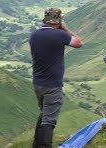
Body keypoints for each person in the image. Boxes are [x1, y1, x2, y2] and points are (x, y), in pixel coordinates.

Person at [29, 8, 83, 148]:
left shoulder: (34, 35)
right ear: (58, 21)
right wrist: (65, 28)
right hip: (52, 85)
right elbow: (78, 43)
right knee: (49, 120)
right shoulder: (59, 35)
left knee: (44, 114)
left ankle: (37, 145)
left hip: (37, 84)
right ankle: (45, 146)